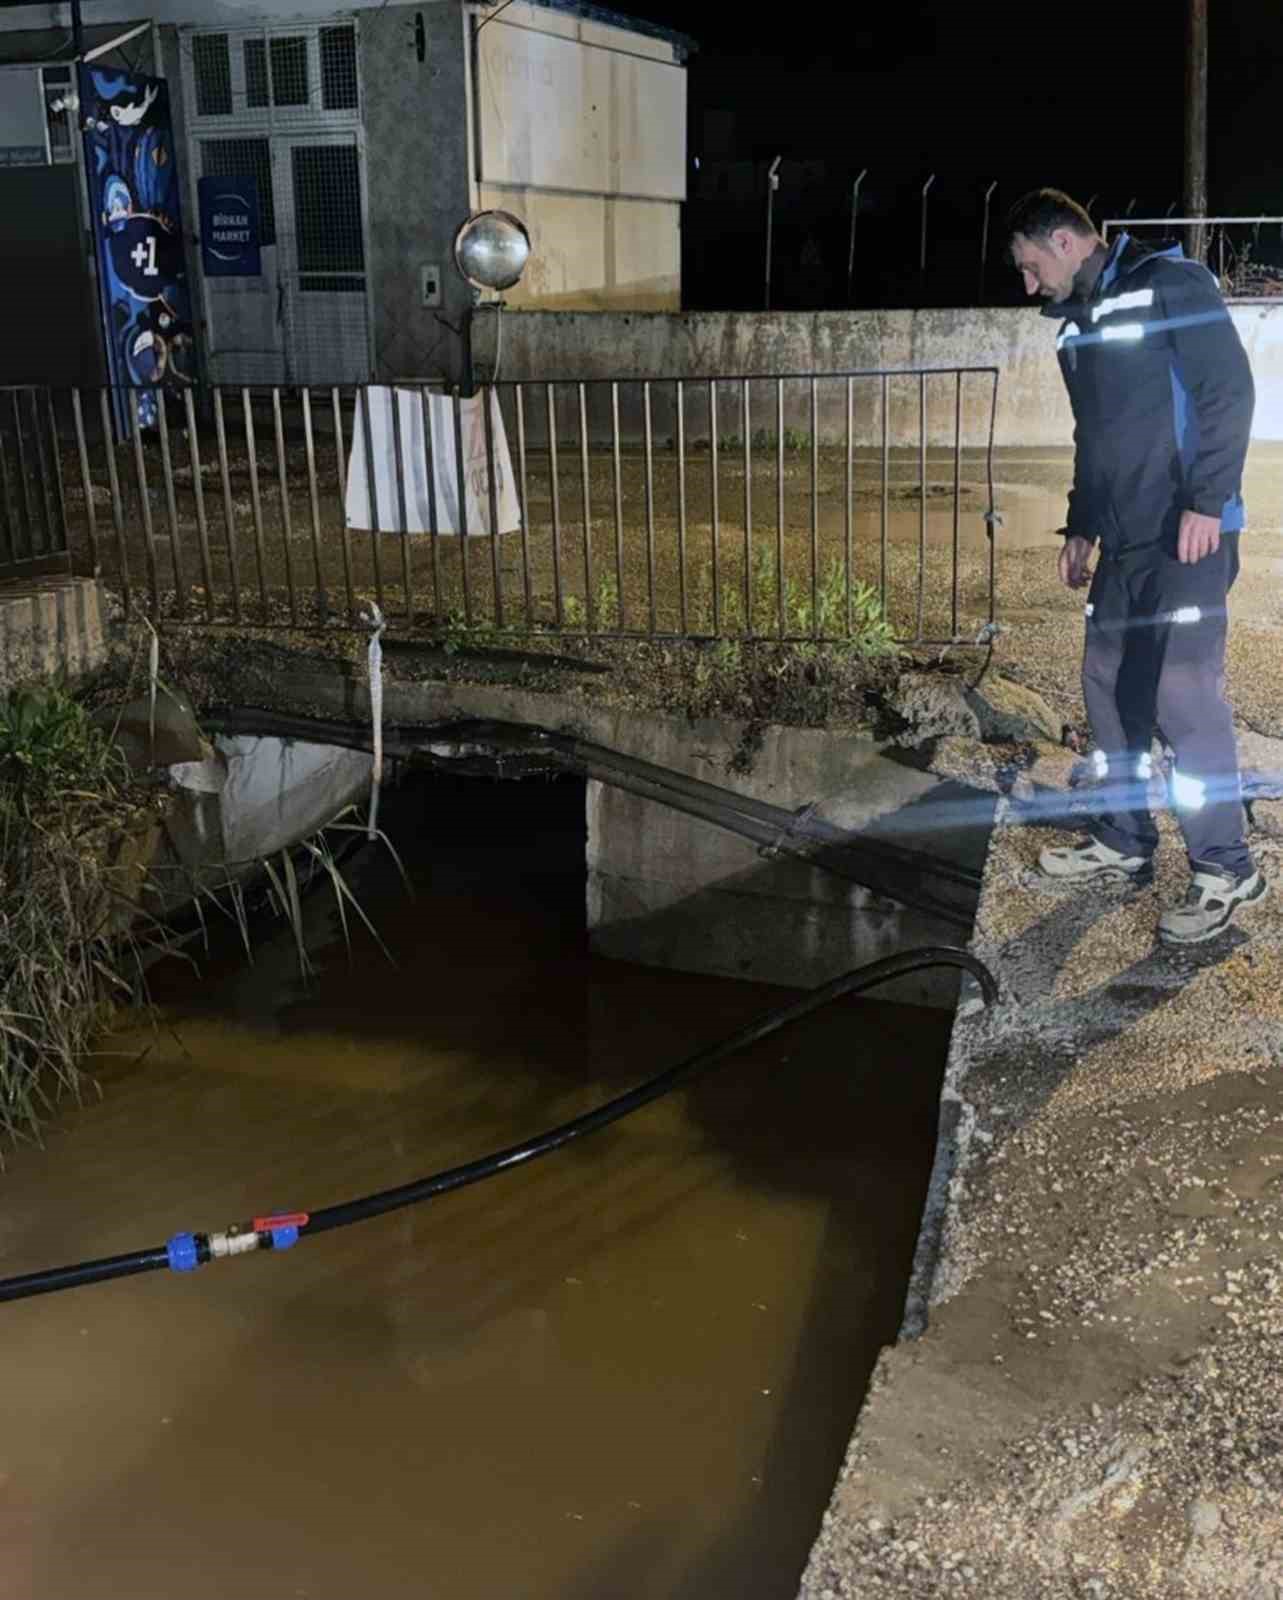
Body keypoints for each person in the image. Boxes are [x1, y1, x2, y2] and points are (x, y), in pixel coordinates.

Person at [1007, 188, 1265, 944]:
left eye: (1030, 266)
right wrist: (1082, 525)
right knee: (1107, 682)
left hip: (1188, 536)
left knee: (1181, 694)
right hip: (1122, 543)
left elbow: (1227, 391)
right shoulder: (1074, 330)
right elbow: (1092, 438)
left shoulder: (1169, 284)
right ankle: (1123, 838)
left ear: (1064, 241)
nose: (1028, 284)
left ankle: (1227, 867)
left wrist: (1207, 501)